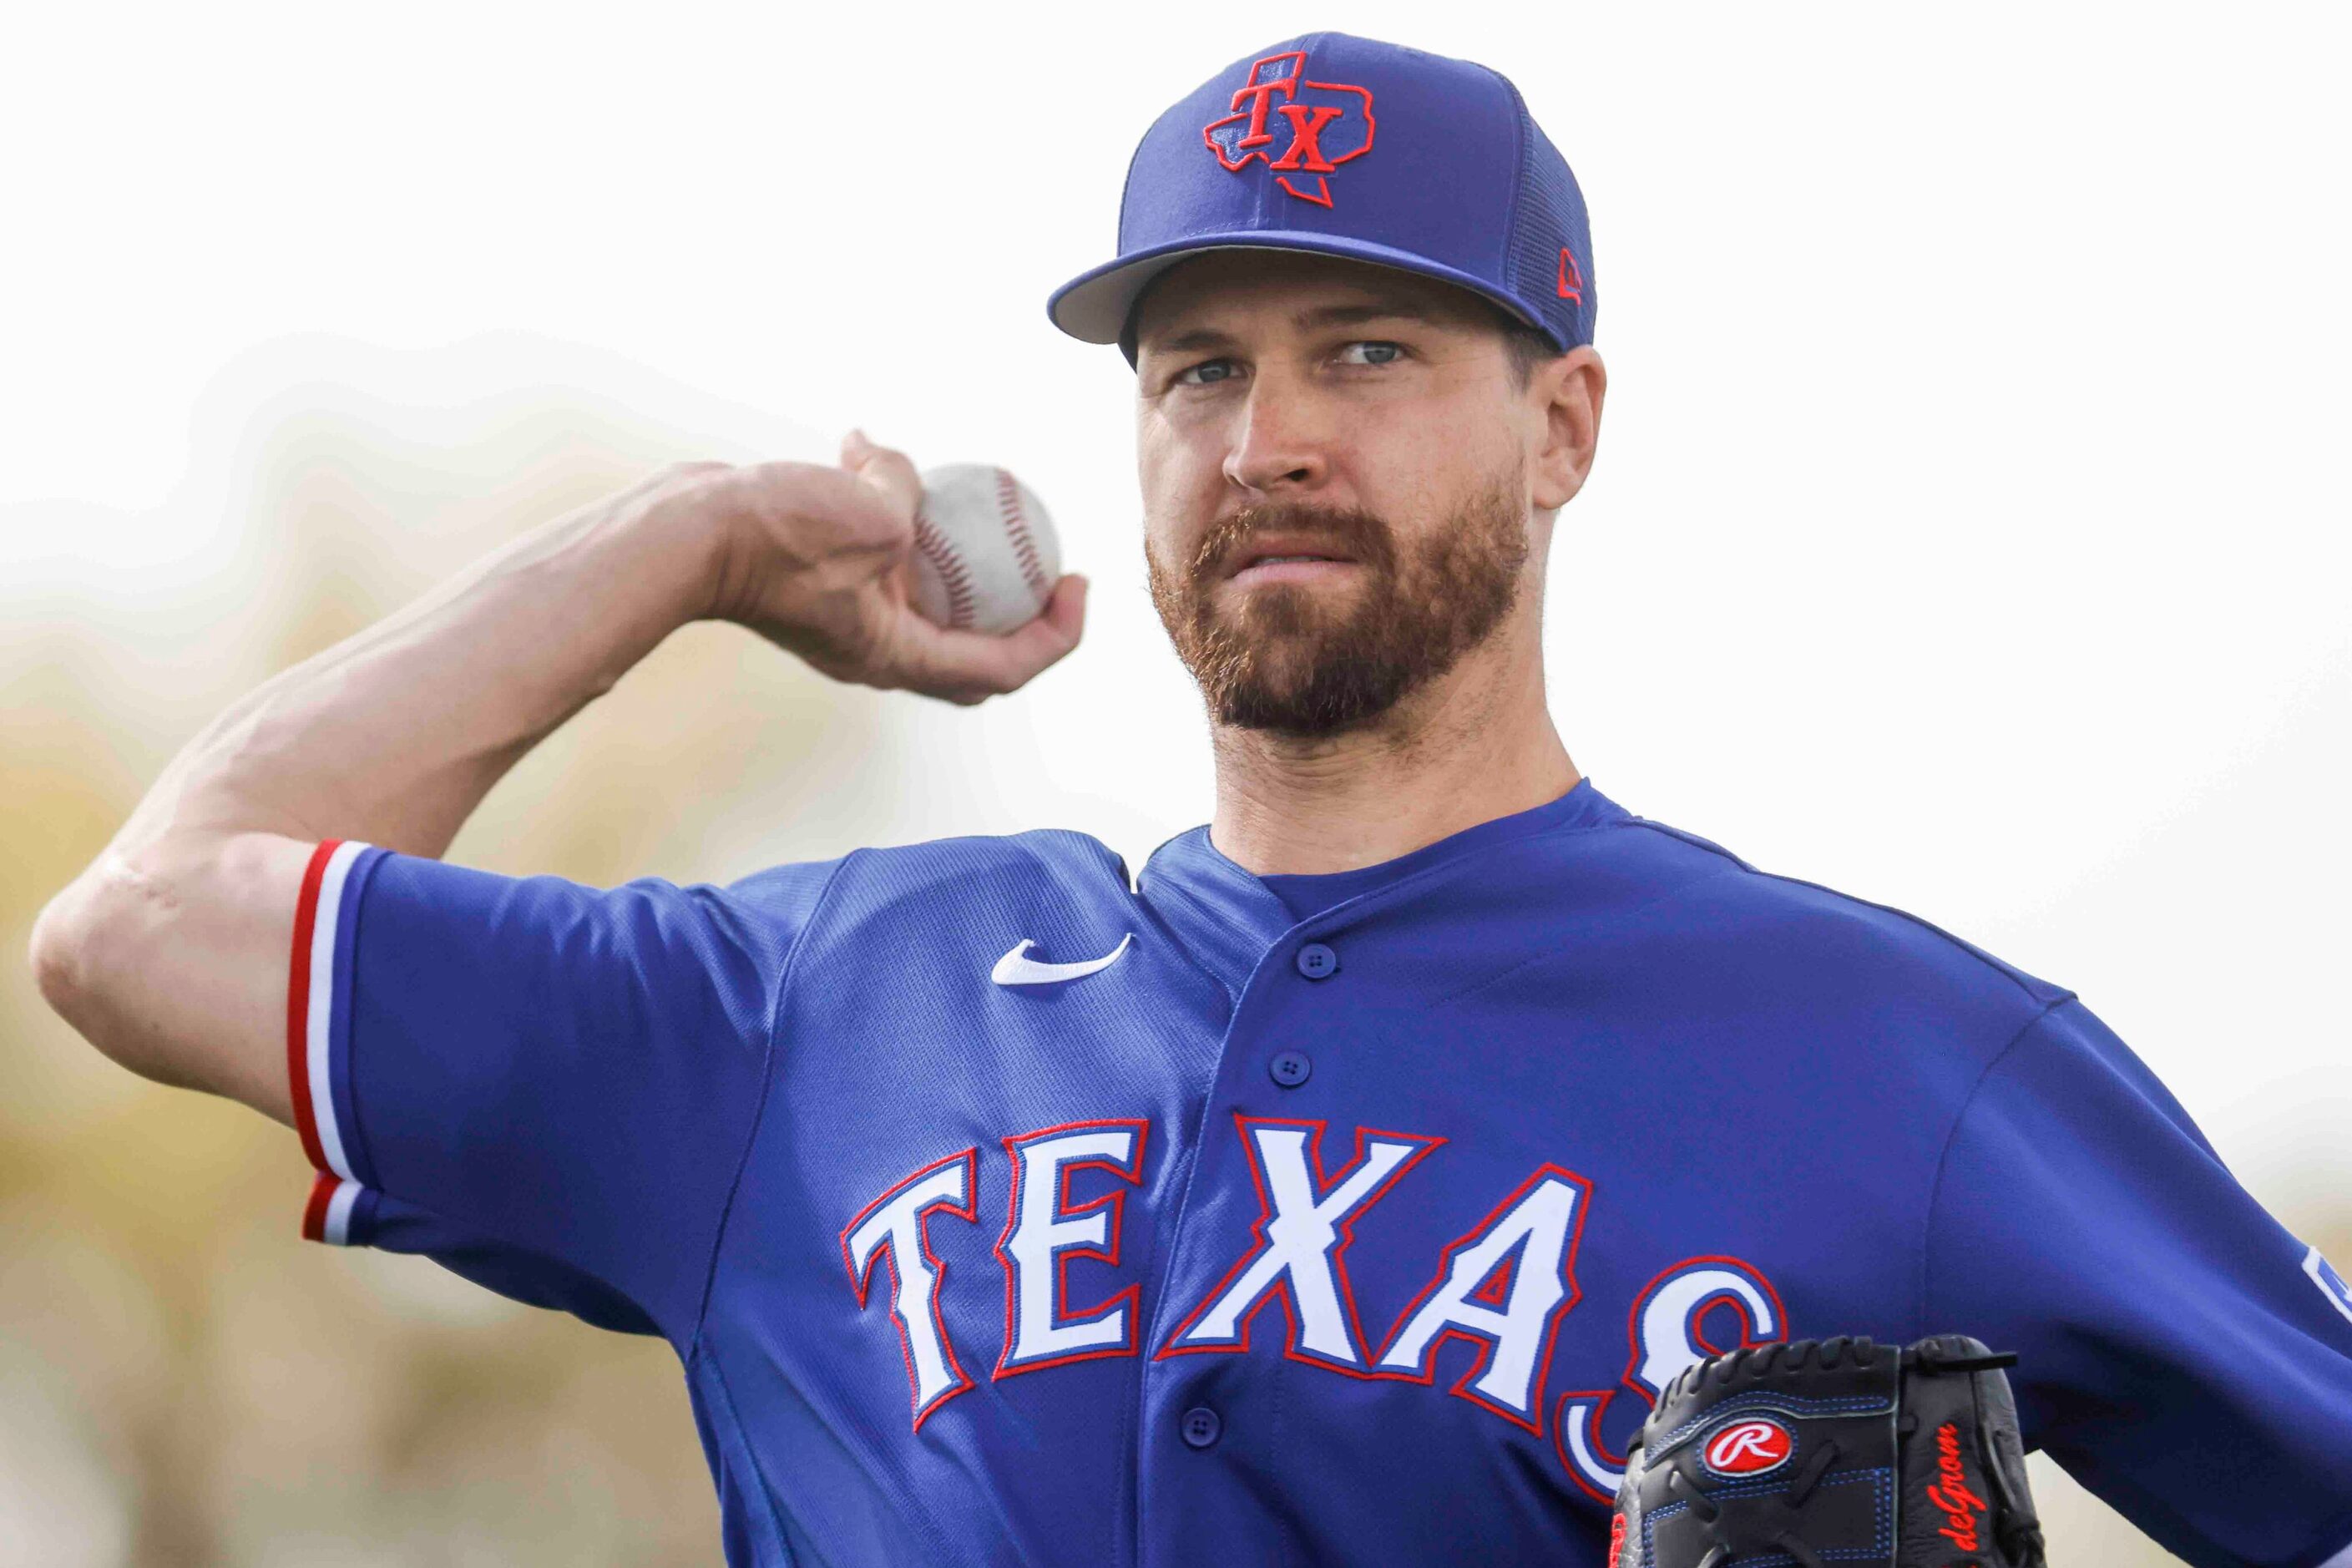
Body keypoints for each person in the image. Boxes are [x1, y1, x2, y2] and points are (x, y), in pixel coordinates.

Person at [29, 30, 2352, 1568]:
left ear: (1562, 428)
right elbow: (148, 923)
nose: (1269, 442)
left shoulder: (1888, 1058)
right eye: (1198, 370)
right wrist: (699, 542)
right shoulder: (803, 1021)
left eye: (1367, 349)